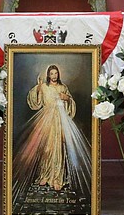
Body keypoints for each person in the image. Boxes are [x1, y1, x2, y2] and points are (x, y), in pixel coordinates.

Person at [12, 64, 92, 195]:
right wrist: (38, 87)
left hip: (60, 121)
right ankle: (45, 175)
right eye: (52, 74)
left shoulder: (63, 87)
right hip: (46, 120)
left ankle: (57, 178)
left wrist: (67, 99)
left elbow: (70, 103)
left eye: (56, 73)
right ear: (48, 75)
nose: (54, 76)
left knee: (58, 148)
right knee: (46, 148)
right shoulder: (44, 87)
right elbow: (34, 102)